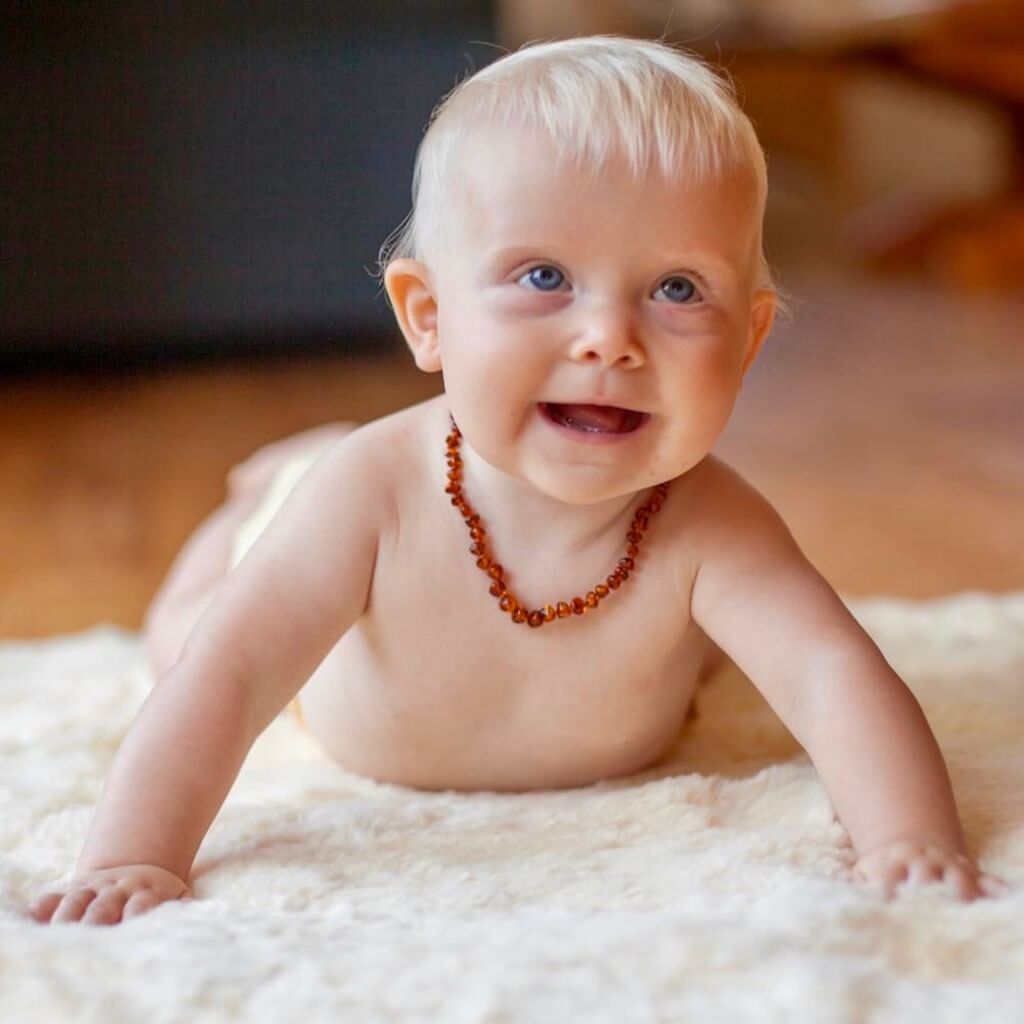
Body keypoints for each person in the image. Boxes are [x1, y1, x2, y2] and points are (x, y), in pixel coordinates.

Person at [30, 35, 1007, 926]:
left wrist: (906, 840)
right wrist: (134, 858)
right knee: (185, 640)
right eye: (544, 277)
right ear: (428, 315)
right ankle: (261, 493)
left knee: (726, 642)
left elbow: (832, 676)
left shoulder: (714, 521)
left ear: (748, 339)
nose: (608, 338)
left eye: (676, 288)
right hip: (321, 656)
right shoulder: (369, 494)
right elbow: (232, 676)